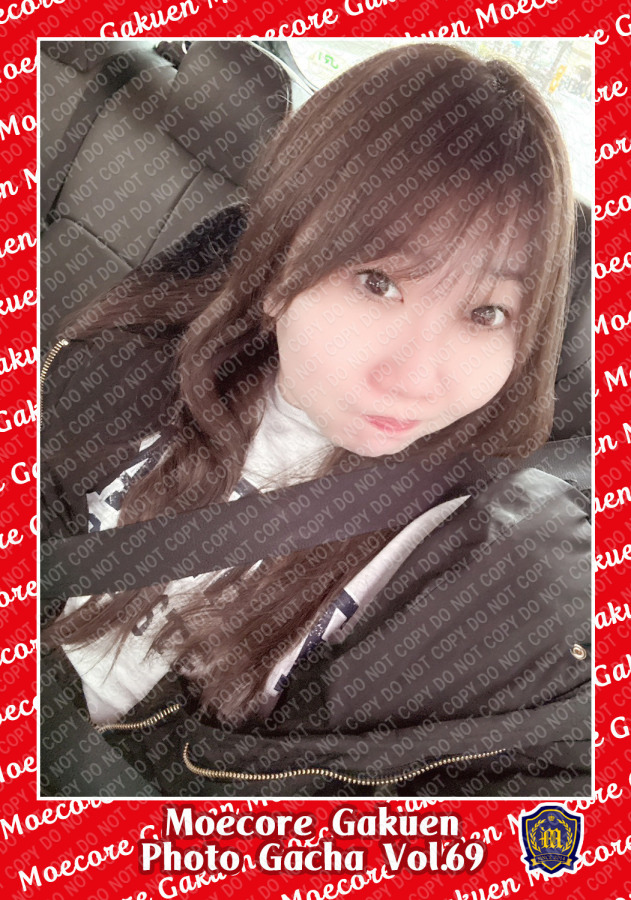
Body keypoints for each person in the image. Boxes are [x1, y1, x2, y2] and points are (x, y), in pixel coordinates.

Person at [40, 41, 591, 798]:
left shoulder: (510, 587)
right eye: (377, 281)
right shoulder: (138, 350)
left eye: (486, 312)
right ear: (275, 272)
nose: (414, 379)